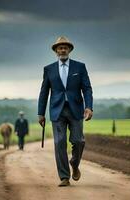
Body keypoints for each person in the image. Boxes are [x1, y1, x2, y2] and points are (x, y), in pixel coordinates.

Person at [37, 36, 93, 187]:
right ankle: (64, 177)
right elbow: (44, 92)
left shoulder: (80, 67)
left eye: (65, 47)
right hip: (57, 110)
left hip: (76, 109)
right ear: (55, 51)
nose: (62, 50)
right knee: (59, 142)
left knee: (79, 141)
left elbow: (87, 88)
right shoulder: (48, 69)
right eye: (59, 48)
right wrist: (40, 113)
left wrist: (89, 107)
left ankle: (74, 164)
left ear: (69, 50)